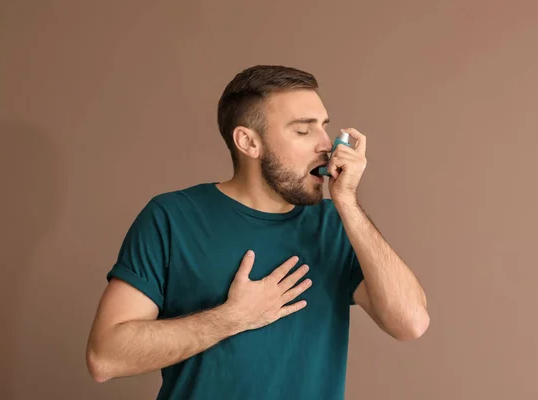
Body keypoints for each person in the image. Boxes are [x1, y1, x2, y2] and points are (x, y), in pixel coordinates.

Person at [85, 65, 429, 399]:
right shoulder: (171, 217)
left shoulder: (335, 225)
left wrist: (349, 205)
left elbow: (410, 323)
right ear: (248, 142)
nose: (327, 144)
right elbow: (106, 358)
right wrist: (232, 318)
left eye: (324, 127)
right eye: (303, 130)